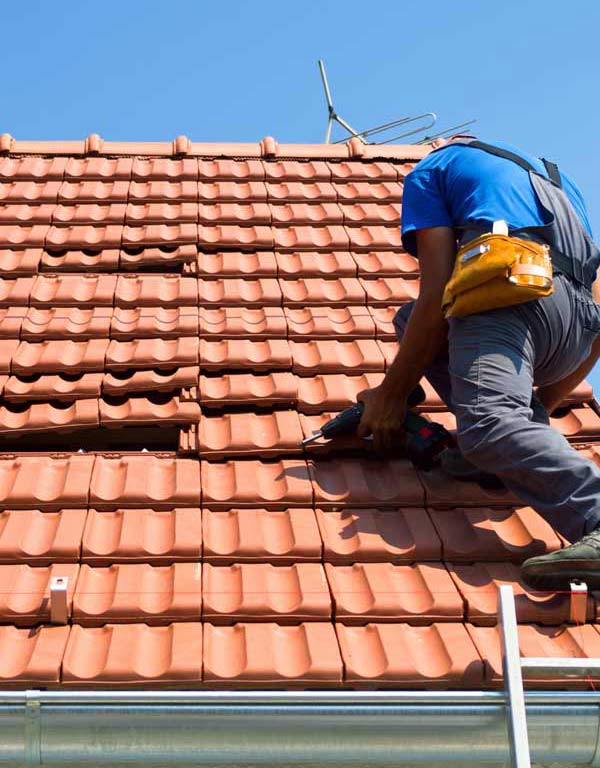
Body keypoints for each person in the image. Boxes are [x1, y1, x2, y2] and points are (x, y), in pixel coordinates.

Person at [356, 136, 600, 589]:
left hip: (511, 297)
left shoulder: (431, 171)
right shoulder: (554, 180)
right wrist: (538, 407)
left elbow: (435, 296)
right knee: (410, 322)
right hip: (575, 330)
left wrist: (390, 395)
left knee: (487, 424)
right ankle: (501, 453)